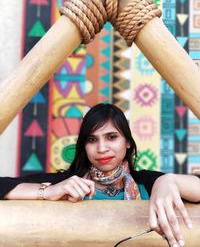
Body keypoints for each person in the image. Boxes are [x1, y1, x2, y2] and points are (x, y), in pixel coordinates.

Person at [0, 103, 200, 247]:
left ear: (127, 142)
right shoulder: (68, 185)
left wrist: (169, 180)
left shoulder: (148, 183)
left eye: (111, 137)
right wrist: (48, 191)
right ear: (84, 146)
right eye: (92, 139)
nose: (102, 148)